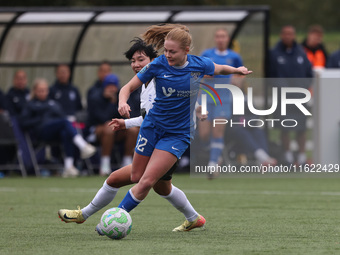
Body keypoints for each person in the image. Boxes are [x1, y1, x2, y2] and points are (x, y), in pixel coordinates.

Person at [58, 37, 208, 232]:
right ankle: (194, 218)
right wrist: (125, 123)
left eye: (141, 60)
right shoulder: (145, 85)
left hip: (167, 142)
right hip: (157, 140)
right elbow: (151, 118)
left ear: (153, 61)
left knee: (137, 180)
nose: (136, 65)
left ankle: (95, 217)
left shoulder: (158, 81)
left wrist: (198, 108)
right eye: (133, 61)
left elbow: (171, 109)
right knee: (160, 187)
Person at [115, 24, 251, 229]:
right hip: (152, 127)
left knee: (147, 181)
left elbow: (219, 68)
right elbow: (128, 87)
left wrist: (237, 70)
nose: (167, 55)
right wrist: (122, 102)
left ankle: (116, 217)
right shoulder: (158, 64)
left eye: (172, 51)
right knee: (136, 177)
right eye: (166, 50)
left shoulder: (199, 64)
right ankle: (194, 217)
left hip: (178, 134)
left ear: (186, 51)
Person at [19, 78, 96, 177]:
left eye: (45, 90)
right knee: (65, 123)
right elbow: (24, 123)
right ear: (35, 91)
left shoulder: (52, 103)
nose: (43, 93)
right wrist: (40, 120)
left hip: (55, 132)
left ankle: (68, 167)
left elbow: (61, 115)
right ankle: (83, 146)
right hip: (41, 133)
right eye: (40, 90)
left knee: (66, 132)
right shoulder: (30, 105)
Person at [199, 28, 244, 170]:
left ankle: (213, 164)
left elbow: (240, 74)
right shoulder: (207, 55)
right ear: (215, 39)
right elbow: (197, 73)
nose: (220, 39)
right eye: (218, 36)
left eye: (223, 36)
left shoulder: (234, 56)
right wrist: (207, 75)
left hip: (223, 98)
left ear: (228, 39)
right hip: (207, 98)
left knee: (218, 130)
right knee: (204, 134)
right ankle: (216, 154)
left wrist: (237, 81)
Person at [269, 25, 313, 165]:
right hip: (282, 98)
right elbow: (271, 75)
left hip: (300, 97)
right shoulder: (274, 53)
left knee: (301, 128)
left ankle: (301, 157)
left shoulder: (301, 52)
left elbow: (309, 73)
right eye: (285, 34)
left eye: (291, 34)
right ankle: (287, 156)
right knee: (285, 127)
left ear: (294, 35)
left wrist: (303, 88)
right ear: (281, 35)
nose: (288, 36)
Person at [86, 73, 138, 175]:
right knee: (109, 127)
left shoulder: (122, 96)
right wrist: (111, 102)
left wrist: (116, 102)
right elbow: (102, 118)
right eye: (109, 86)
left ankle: (127, 161)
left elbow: (128, 115)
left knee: (133, 129)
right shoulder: (95, 97)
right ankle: (105, 164)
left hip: (118, 129)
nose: (112, 89)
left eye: (113, 86)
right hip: (98, 130)